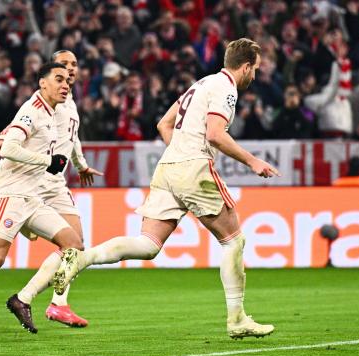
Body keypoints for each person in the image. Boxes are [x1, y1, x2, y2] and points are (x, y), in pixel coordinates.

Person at [52, 38, 279, 339]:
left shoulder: (201, 84)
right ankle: (237, 319)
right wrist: (252, 162)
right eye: (255, 70)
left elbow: (163, 124)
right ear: (246, 66)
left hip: (168, 166)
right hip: (193, 167)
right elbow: (214, 134)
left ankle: (81, 259)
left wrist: (181, 153)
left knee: (148, 245)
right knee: (233, 242)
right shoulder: (226, 88)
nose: (255, 76)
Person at [0, 50, 103, 329]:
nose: (68, 74)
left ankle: (42, 301)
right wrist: (6, 139)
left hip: (39, 187)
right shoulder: (39, 106)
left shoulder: (63, 105)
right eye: (61, 71)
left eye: (72, 68)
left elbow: (71, 138)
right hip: (16, 187)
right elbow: (19, 129)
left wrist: (80, 164)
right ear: (44, 80)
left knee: (74, 245)